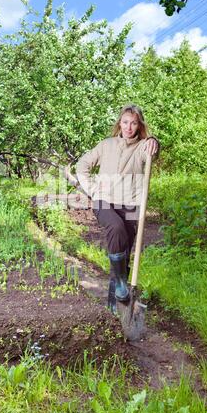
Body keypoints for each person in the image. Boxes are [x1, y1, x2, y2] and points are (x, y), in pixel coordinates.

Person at [75, 104, 160, 314]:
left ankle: (116, 308)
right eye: (125, 122)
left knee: (124, 250)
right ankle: (121, 283)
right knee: (115, 228)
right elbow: (82, 166)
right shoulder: (106, 145)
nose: (128, 127)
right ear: (119, 123)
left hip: (132, 204)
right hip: (104, 200)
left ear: (139, 125)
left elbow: (153, 153)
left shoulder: (142, 146)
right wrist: (93, 190)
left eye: (133, 123)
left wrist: (154, 142)